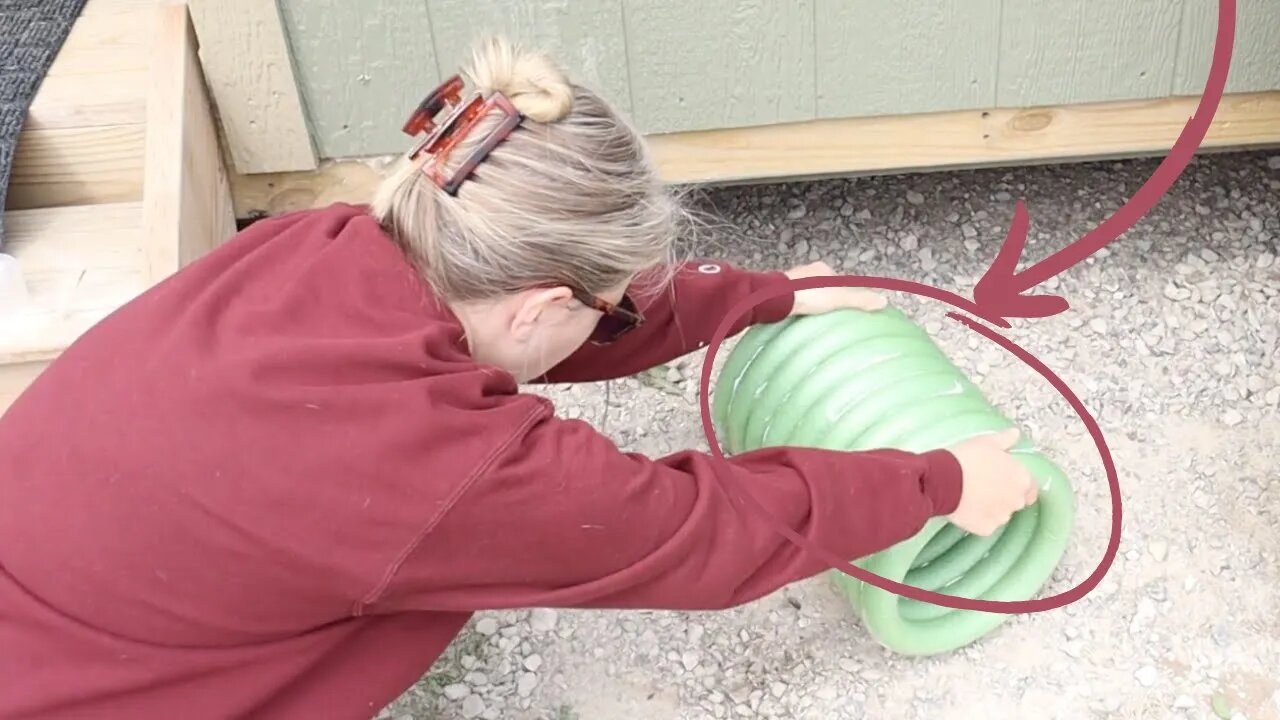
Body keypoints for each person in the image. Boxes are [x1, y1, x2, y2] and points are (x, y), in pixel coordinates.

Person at [0, 37, 1036, 719]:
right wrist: (936, 486)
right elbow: (694, 534)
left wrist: (755, 297)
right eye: (606, 295)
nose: (615, 309)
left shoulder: (327, 246)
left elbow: (547, 322)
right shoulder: (437, 471)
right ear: (543, 302)